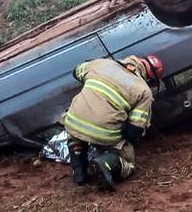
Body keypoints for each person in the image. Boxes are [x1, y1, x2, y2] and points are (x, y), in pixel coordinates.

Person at [62, 54, 163, 190]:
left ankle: (79, 172)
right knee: (127, 160)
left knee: (75, 135)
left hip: (73, 121)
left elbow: (76, 71)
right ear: (149, 79)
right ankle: (106, 163)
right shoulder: (144, 91)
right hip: (104, 133)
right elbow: (134, 132)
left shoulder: (101, 63)